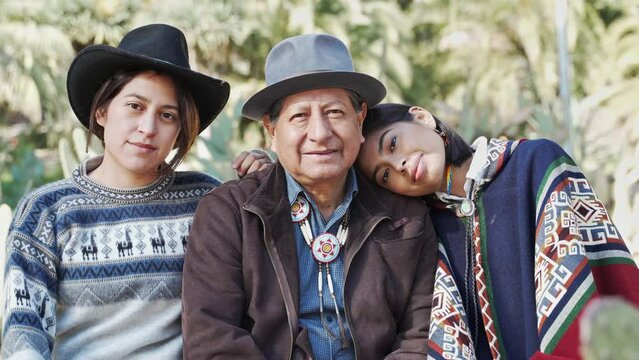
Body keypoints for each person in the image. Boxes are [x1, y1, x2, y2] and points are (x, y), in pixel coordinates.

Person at [182, 34, 438, 359]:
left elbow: (421, 334)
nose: (319, 133)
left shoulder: (406, 216)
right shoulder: (228, 213)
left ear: (359, 120)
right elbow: (213, 339)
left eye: (334, 113)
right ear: (271, 132)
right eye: (299, 116)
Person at [2, 24, 230, 359]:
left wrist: (261, 176)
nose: (148, 128)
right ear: (102, 111)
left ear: (180, 131)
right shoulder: (47, 212)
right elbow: (24, 331)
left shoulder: (205, 201)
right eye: (135, 106)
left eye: (167, 115)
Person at [355, 103, 639, 359]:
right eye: (385, 175)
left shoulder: (535, 165)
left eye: (392, 144)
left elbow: (604, 279)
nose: (399, 165)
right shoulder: (426, 236)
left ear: (422, 117)